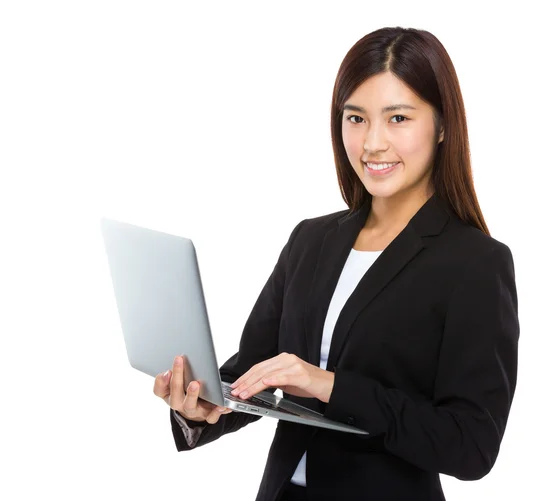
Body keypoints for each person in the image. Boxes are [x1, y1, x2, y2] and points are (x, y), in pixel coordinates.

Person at [153, 25, 519, 501]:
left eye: (398, 118)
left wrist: (329, 386)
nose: (372, 144)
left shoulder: (474, 263)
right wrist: (203, 407)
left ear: (443, 124)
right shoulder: (311, 240)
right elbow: (256, 372)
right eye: (356, 118)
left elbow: (472, 445)